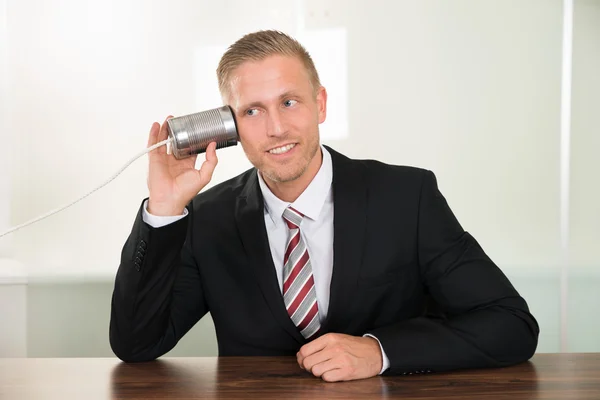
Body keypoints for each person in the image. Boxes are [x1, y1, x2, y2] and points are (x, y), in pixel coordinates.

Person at [109, 30, 539, 382]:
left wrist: (379, 351)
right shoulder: (207, 219)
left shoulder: (407, 197)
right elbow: (136, 345)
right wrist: (163, 210)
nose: (276, 128)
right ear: (229, 128)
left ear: (321, 104)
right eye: (253, 111)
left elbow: (510, 324)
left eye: (289, 102)